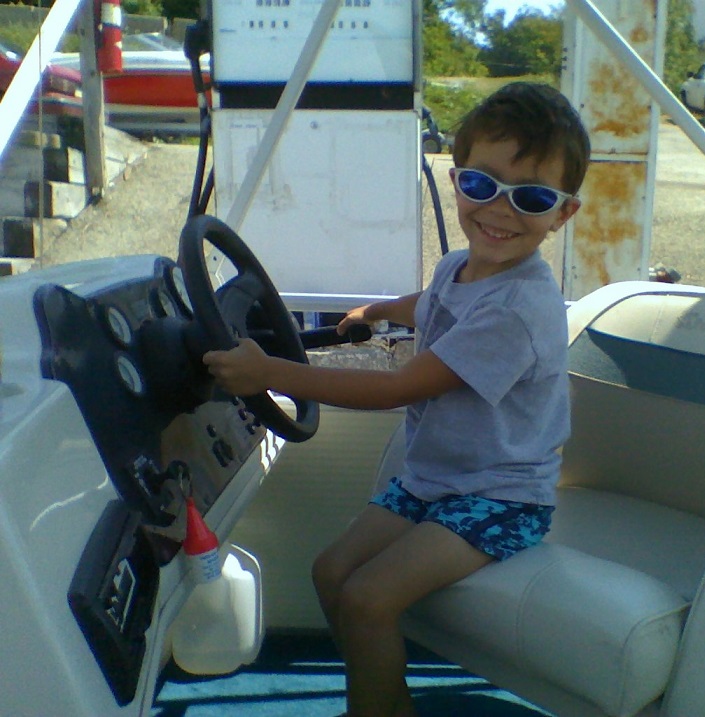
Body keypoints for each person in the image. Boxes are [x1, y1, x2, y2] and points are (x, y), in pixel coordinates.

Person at [202, 81, 591, 717]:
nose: (499, 210)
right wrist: (379, 310)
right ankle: (384, 698)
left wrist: (267, 371)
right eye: (480, 184)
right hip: (434, 480)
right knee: (330, 572)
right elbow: (434, 303)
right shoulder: (458, 267)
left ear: (563, 213)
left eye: (533, 197)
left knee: (367, 597)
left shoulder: (521, 308)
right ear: (457, 180)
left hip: (499, 496)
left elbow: (397, 389)